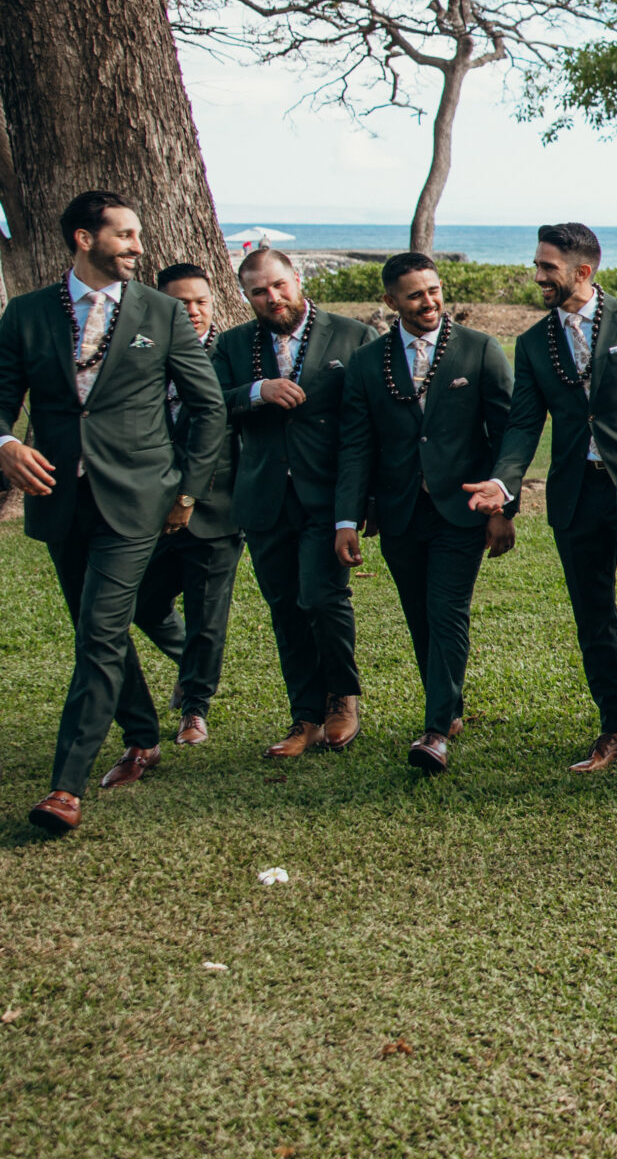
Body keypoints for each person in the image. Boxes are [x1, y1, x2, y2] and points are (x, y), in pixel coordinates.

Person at [0, 192, 226, 835]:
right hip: (58, 497)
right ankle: (143, 734)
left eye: (138, 235)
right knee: (93, 628)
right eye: (124, 234)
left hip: (136, 500)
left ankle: (65, 788)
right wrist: (7, 444)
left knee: (99, 631)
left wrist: (185, 492)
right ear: (83, 238)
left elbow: (208, 407)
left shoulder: (161, 311)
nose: (136, 246)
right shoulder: (27, 313)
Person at [466, 222, 617, 771]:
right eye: (537, 265)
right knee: (593, 617)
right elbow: (521, 427)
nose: (537, 276)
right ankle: (616, 728)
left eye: (547, 267)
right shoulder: (533, 342)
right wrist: (503, 483)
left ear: (583, 272)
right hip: (574, 496)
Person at [333, 254, 516, 773]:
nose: (429, 302)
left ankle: (435, 730)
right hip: (399, 512)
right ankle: (450, 706)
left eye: (434, 290)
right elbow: (355, 446)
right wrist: (347, 518)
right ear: (391, 301)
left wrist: (502, 506)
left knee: (446, 611)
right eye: (415, 295)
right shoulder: (369, 362)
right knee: (419, 615)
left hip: (462, 509)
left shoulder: (480, 350)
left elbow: (506, 433)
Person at [214, 248, 372, 758]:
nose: (273, 297)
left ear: (297, 279)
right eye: (259, 291)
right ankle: (303, 715)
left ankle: (342, 700)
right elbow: (211, 402)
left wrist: (360, 502)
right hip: (263, 497)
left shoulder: (352, 336)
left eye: (279, 285)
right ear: (247, 295)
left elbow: (366, 428)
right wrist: (257, 390)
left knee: (322, 598)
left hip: (327, 496)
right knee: (284, 608)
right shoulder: (234, 344)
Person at [131, 261, 243, 747]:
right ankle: (190, 663)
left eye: (201, 301)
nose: (193, 312)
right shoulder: (140, 355)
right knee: (140, 603)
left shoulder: (231, 354)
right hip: (148, 510)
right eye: (181, 303)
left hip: (216, 508)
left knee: (207, 615)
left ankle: (195, 707)